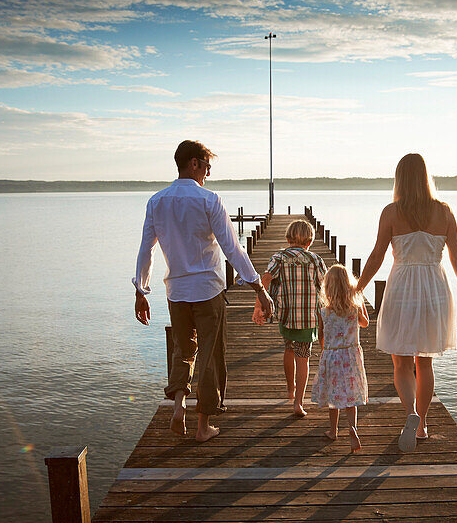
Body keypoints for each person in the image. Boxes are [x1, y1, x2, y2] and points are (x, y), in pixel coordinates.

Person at [133, 140, 274, 442]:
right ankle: (202, 427)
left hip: (177, 291)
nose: (208, 173)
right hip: (208, 290)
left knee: (184, 350)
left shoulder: (157, 202)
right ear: (194, 163)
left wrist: (141, 290)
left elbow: (147, 248)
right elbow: (232, 248)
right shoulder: (209, 200)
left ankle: (179, 404)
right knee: (210, 356)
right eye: (207, 166)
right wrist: (258, 288)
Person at [355, 153, 457, 452]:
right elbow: (456, 255)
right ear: (425, 177)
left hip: (402, 288)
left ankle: (410, 413)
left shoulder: (391, 212)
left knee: (402, 362)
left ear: (399, 179)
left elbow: (377, 255)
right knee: (426, 361)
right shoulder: (444, 212)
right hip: (435, 287)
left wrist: (358, 289)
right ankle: (422, 426)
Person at [254, 220, 327, 417]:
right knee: (303, 357)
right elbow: (326, 287)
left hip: (286, 315)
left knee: (288, 348)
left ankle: (290, 388)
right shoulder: (315, 259)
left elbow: (266, 278)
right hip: (308, 317)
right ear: (310, 241)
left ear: (287, 239)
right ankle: (298, 402)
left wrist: (258, 306)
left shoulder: (278, 257)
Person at [312, 264, 370, 452]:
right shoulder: (354, 308)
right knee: (351, 397)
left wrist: (325, 352)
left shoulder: (324, 310)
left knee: (333, 396)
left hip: (332, 355)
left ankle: (333, 430)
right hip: (351, 356)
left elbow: (321, 335)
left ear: (327, 287)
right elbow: (365, 323)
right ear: (349, 285)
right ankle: (352, 428)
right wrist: (360, 301)